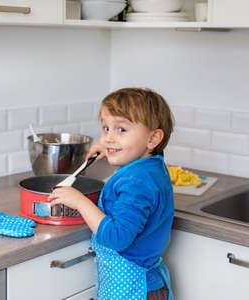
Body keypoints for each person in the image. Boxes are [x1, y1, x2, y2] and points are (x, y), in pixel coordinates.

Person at [48, 87, 175, 300]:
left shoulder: (137, 183)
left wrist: (79, 201)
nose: (109, 138)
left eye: (121, 130)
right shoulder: (149, 167)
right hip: (142, 286)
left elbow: (117, 237)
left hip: (135, 292)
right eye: (106, 128)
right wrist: (111, 147)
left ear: (153, 139)